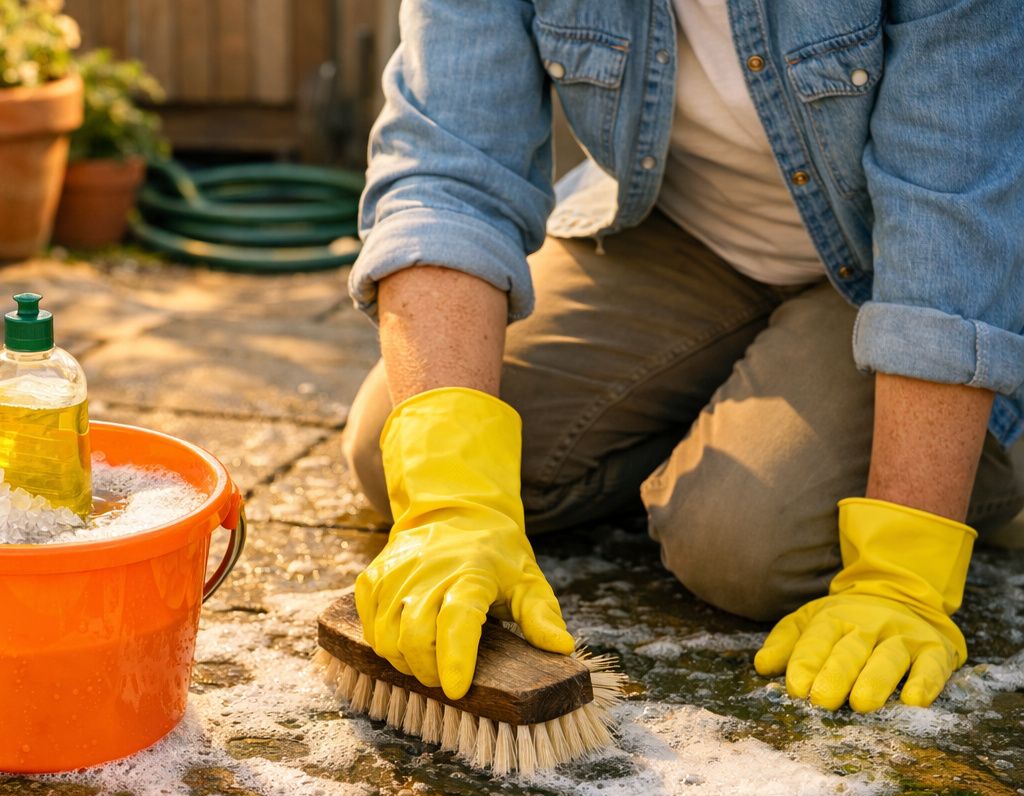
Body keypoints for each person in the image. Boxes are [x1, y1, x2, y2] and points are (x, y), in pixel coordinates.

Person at [343, 0, 1024, 713]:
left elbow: (953, 222)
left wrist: (902, 573)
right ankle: (737, 401)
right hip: (686, 227)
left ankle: (989, 450)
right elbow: (446, 172)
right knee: (394, 446)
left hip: (903, 265)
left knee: (741, 545)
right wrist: (452, 505)